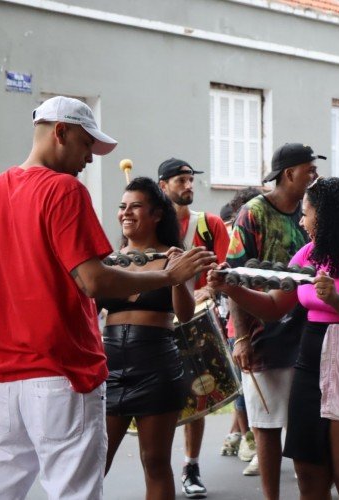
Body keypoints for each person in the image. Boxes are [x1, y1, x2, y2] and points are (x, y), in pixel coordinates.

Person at [0, 96, 214, 500]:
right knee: (76, 492)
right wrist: (168, 275)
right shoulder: (64, 189)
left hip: (3, 378)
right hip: (62, 371)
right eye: (87, 145)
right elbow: (93, 281)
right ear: (61, 132)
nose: (89, 159)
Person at [208, 177, 339, 500]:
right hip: (312, 357)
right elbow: (272, 306)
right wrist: (231, 287)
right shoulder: (307, 254)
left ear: (327, 216)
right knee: (308, 472)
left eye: (306, 213)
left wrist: (336, 299)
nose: (301, 220)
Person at [226, 143, 320, 494]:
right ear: (289, 173)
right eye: (309, 169)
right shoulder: (253, 213)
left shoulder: (311, 211)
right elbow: (232, 277)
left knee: (303, 422)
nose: (314, 176)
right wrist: (241, 337)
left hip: (307, 331)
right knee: (266, 427)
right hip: (262, 333)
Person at [98, 177, 199, 499]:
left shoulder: (173, 256)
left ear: (156, 215)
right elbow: (87, 309)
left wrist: (176, 277)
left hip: (156, 366)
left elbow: (184, 313)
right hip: (109, 367)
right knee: (94, 461)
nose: (126, 213)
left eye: (135, 207)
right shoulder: (107, 261)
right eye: (122, 207)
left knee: (155, 462)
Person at [158, 157, 230, 499]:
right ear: (163, 187)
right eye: (179, 180)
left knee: (198, 390)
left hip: (198, 319)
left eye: (190, 179)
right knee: (159, 402)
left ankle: (191, 465)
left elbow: (225, 268)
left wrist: (209, 288)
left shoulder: (210, 224)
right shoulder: (153, 225)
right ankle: (158, 468)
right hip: (159, 323)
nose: (188, 185)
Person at [217, 186, 262, 464]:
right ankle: (249, 437)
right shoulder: (236, 235)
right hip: (238, 325)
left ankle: (253, 437)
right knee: (244, 386)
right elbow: (229, 280)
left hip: (270, 322)